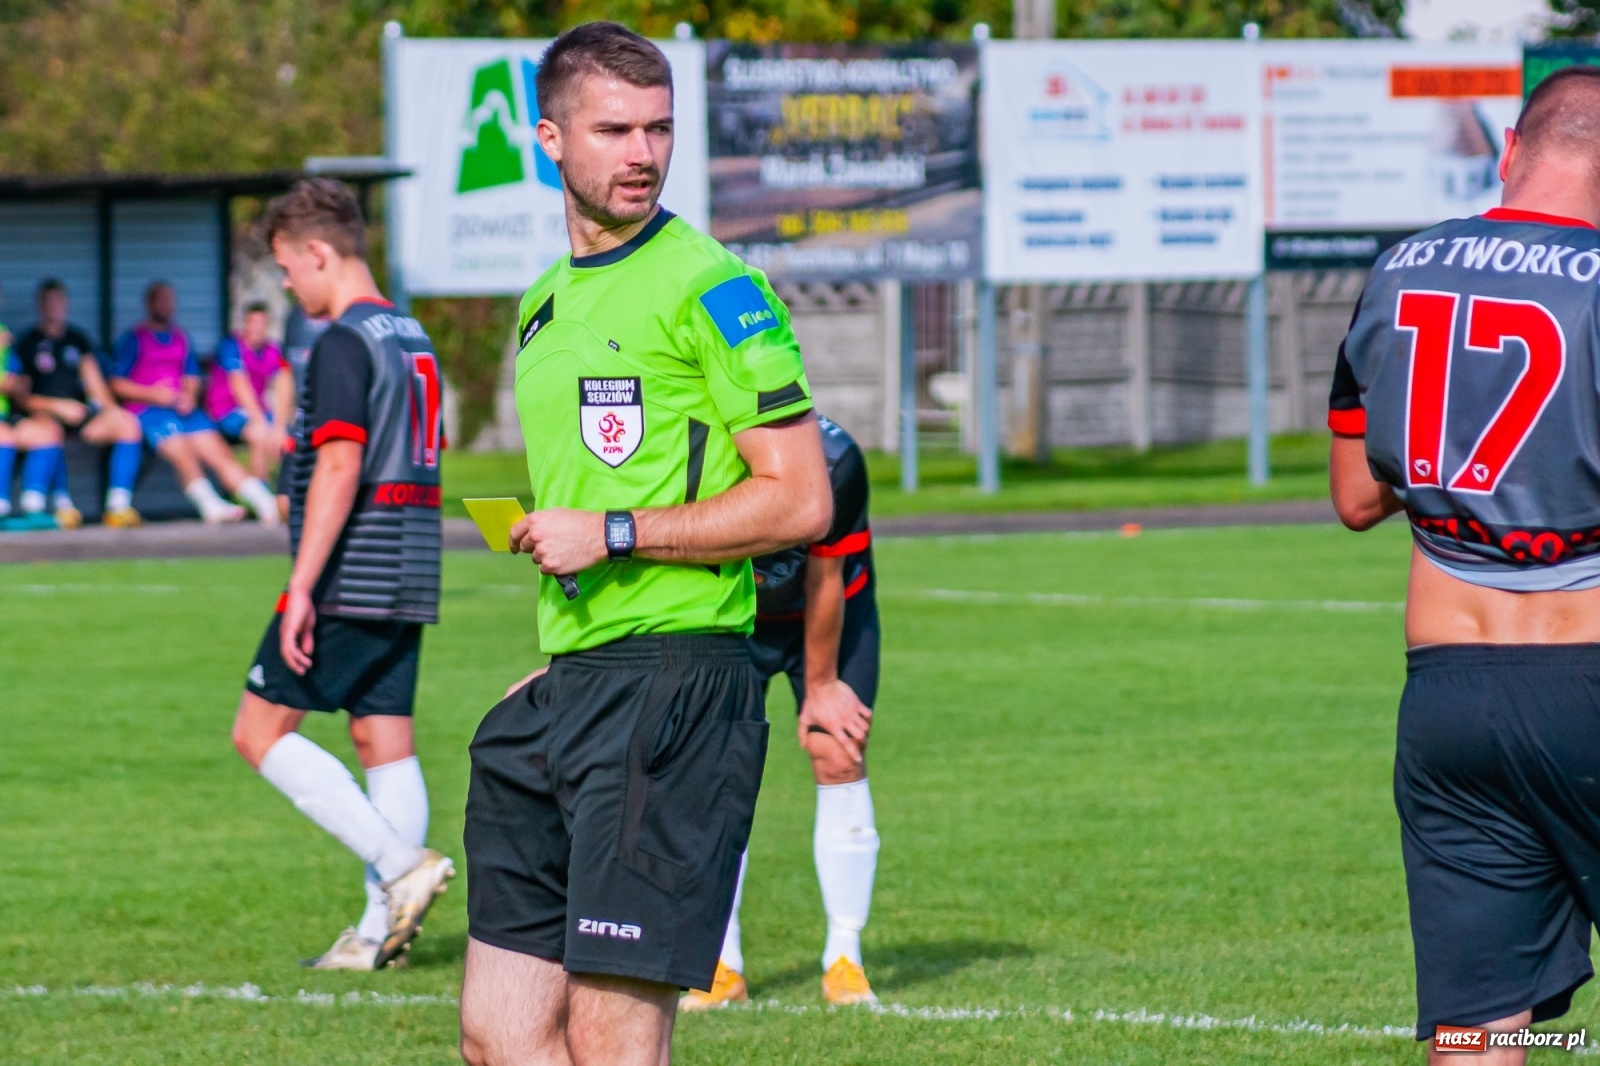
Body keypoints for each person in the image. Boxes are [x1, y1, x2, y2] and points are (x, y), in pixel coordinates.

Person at [457, 23, 832, 1066]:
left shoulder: (713, 288)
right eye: (614, 128)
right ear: (548, 138)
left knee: (613, 1041)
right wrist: (561, 642)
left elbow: (799, 499)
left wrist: (614, 533)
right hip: (575, 681)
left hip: (676, 687)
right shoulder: (541, 306)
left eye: (660, 128)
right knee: (500, 1034)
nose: (642, 153)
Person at [1330, 66, 1600, 1065]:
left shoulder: (1400, 268)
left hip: (1447, 699)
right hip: (1586, 674)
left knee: (1471, 1030)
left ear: (1511, 151)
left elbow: (1356, 497)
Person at [230, 178, 454, 971]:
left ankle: (402, 870)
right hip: (410, 563)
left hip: (354, 566)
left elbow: (338, 461)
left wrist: (301, 586)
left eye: (289, 267)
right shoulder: (412, 334)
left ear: (319, 252)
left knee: (257, 732)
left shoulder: (343, 341)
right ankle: (375, 937)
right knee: (383, 739)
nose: (287, 284)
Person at [681, 414, 881, 1011]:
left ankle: (846, 960)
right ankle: (719, 963)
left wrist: (821, 686)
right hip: (730, 616)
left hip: (831, 611)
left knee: (835, 747)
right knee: (716, 775)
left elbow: (825, 580)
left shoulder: (837, 459)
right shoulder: (694, 441)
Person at [110, 282, 279, 525]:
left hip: (183, 411)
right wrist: (152, 394)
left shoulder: (180, 337)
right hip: (148, 412)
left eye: (169, 300)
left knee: (217, 450)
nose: (165, 306)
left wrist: (189, 395)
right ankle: (210, 505)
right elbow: (116, 383)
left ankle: (263, 502)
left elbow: (191, 376)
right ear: (149, 304)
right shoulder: (134, 339)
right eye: (160, 300)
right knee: (180, 447)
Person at [8, 278, 145, 528]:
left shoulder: (77, 339)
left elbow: (94, 383)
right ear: (40, 306)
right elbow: (22, 399)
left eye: (59, 302)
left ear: (66, 304)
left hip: (80, 414)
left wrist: (110, 409)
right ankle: (61, 505)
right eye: (48, 303)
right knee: (49, 431)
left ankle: (118, 506)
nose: (54, 307)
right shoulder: (27, 343)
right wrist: (56, 406)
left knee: (127, 425)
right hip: (44, 413)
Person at [206, 301, 291, 481]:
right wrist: (260, 419)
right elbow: (240, 385)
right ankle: (262, 494)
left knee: (287, 437)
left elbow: (284, 382)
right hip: (226, 411)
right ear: (245, 323)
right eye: (253, 322)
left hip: (256, 410)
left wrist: (280, 424)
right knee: (259, 432)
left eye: (261, 323)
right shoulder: (231, 346)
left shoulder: (272, 349)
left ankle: (285, 490)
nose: (257, 328)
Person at [276, 301, 331, 520]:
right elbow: (286, 372)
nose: (287, 282)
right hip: (301, 423)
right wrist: (280, 425)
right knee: (285, 502)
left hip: (332, 422)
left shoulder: (345, 317)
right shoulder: (294, 319)